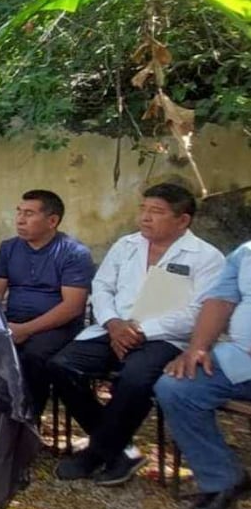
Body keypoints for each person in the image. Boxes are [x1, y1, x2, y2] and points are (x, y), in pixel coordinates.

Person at [50, 183, 225, 486]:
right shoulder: (126, 245)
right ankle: (121, 449)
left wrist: (142, 331)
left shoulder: (207, 258)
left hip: (165, 337)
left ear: (183, 220)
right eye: (143, 209)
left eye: (156, 212)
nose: (145, 217)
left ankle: (97, 452)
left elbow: (199, 312)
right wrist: (114, 323)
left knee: (135, 378)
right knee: (61, 366)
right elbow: (102, 287)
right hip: (112, 328)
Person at [155, 240, 251, 509]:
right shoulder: (245, 253)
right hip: (242, 358)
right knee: (177, 386)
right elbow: (220, 300)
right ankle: (223, 478)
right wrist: (198, 346)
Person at [0, 189, 94, 422]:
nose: (20, 219)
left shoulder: (74, 253)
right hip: (13, 322)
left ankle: (27, 424)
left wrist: (25, 330)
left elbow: (72, 308)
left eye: (29, 213)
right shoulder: (9, 248)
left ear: (52, 221)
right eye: (19, 212)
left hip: (56, 327)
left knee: (32, 357)